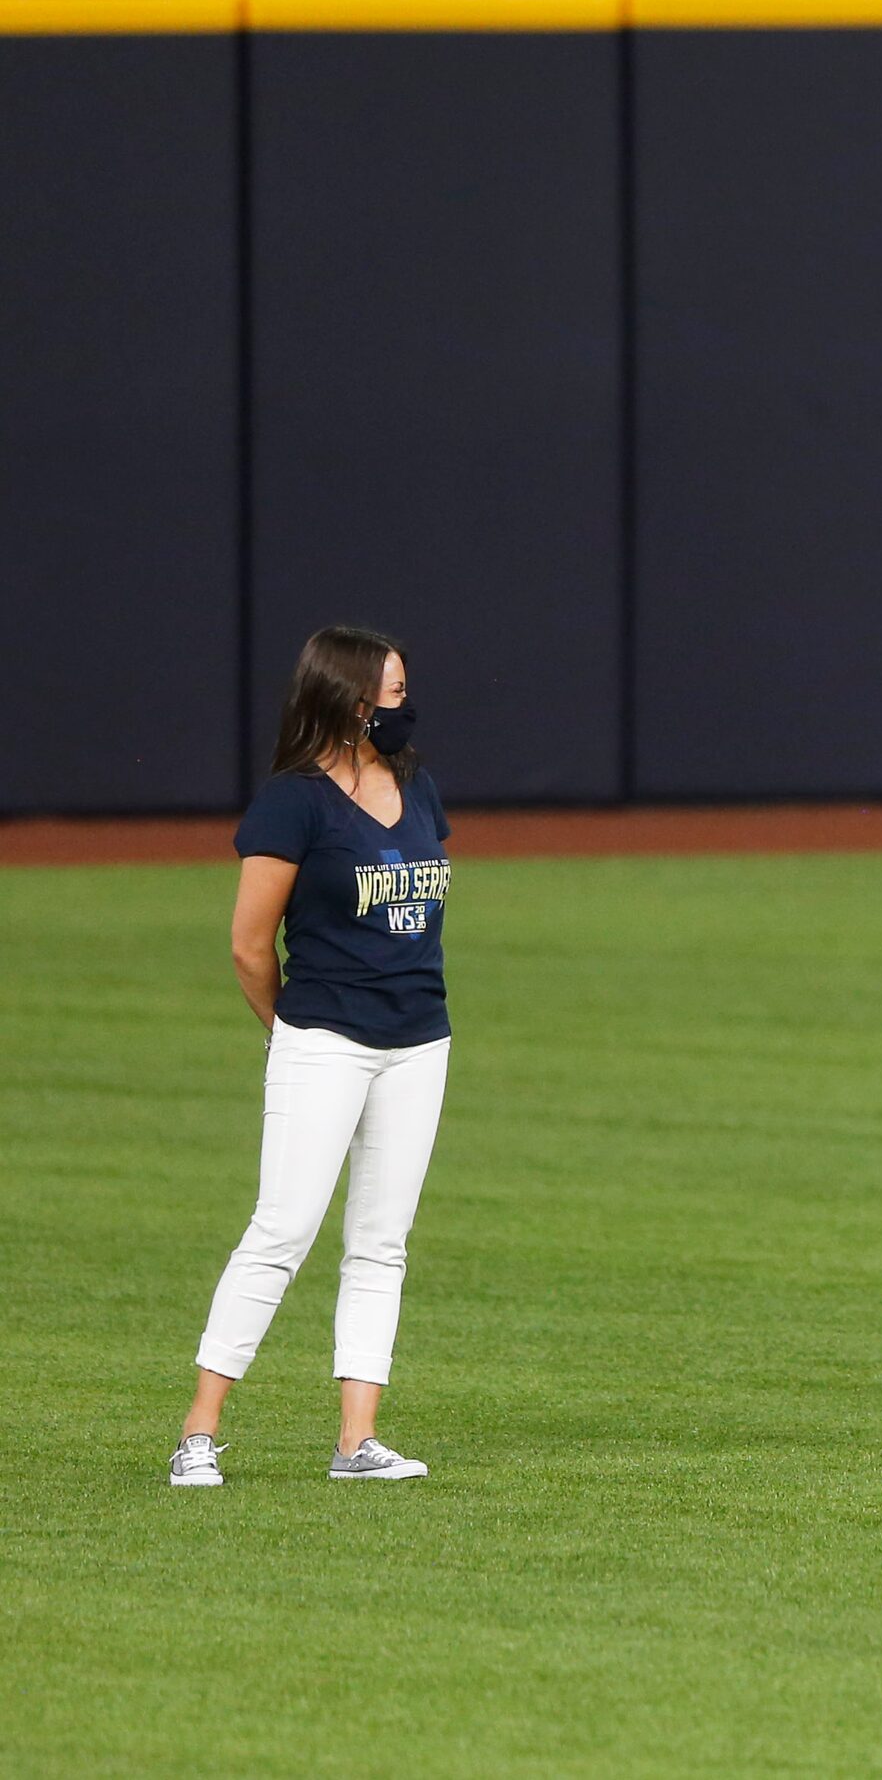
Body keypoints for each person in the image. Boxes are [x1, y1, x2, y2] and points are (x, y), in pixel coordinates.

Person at [171, 627, 456, 1487]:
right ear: (349, 700)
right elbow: (249, 945)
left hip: (419, 1041)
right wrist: (286, 1031)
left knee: (381, 1244)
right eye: (393, 691)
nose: (406, 705)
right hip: (324, 1037)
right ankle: (197, 1431)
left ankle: (355, 1443)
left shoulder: (419, 788)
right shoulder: (292, 803)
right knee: (283, 1231)